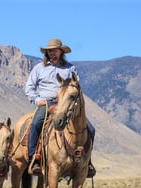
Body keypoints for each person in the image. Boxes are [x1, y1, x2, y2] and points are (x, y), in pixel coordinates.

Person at [25, 38, 96, 177]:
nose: (52, 53)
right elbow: (29, 87)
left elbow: (76, 87)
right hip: (47, 103)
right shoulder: (39, 68)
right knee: (36, 123)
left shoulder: (70, 68)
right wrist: (37, 99)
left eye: (55, 50)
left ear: (61, 51)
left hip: (66, 104)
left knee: (90, 129)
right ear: (47, 52)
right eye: (50, 51)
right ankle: (34, 158)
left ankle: (87, 161)